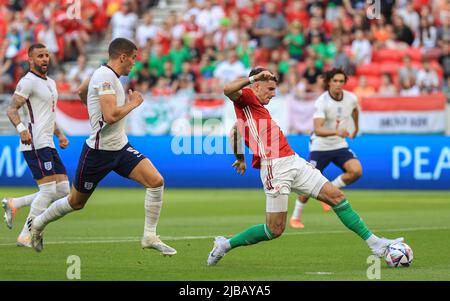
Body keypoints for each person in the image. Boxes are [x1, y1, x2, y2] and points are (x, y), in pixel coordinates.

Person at [207, 67, 404, 266]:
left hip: (293, 161)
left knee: (337, 197)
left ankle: (375, 243)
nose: (274, 94)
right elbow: (227, 89)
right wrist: (251, 79)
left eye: (275, 89)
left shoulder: (255, 110)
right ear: (256, 85)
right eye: (270, 89)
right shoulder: (246, 97)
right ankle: (225, 245)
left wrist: (240, 158)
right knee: (274, 230)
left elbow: (234, 133)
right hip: (274, 168)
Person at [28, 38, 176, 256]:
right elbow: (110, 115)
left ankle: (149, 236)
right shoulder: (106, 77)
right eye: (133, 58)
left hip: (120, 147)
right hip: (97, 153)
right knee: (76, 202)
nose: (134, 64)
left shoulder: (102, 73)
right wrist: (133, 103)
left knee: (156, 181)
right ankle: (38, 223)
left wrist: (93, 108)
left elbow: (80, 91)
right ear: (123, 57)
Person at [2, 43, 70, 247]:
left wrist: (60, 134)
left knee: (64, 190)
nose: (45, 59)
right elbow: (11, 109)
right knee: (48, 191)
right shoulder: (28, 82)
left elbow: (48, 114)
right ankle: (26, 234)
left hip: (48, 142)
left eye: (47, 55)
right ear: (30, 60)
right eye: (40, 56)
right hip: (34, 143)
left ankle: (15, 203)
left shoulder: (51, 82)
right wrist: (22, 129)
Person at [289, 68, 363, 229]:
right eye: (335, 81)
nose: (338, 84)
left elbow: (355, 110)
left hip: (339, 144)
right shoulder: (322, 101)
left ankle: (330, 191)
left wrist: (356, 128)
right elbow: (318, 129)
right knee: (307, 184)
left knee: (356, 171)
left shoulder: (351, 98)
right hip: (320, 147)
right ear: (329, 82)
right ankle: (295, 217)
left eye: (341, 81)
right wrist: (337, 131)